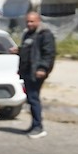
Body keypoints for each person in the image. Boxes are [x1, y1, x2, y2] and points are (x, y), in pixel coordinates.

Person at [17, 10, 56, 138]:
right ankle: (34, 125)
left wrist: (42, 68)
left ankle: (39, 127)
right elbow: (28, 51)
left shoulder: (45, 34)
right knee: (30, 99)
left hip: (37, 72)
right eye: (27, 21)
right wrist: (18, 50)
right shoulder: (28, 34)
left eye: (32, 21)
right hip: (27, 71)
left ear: (38, 21)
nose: (29, 24)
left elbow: (48, 53)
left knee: (33, 99)